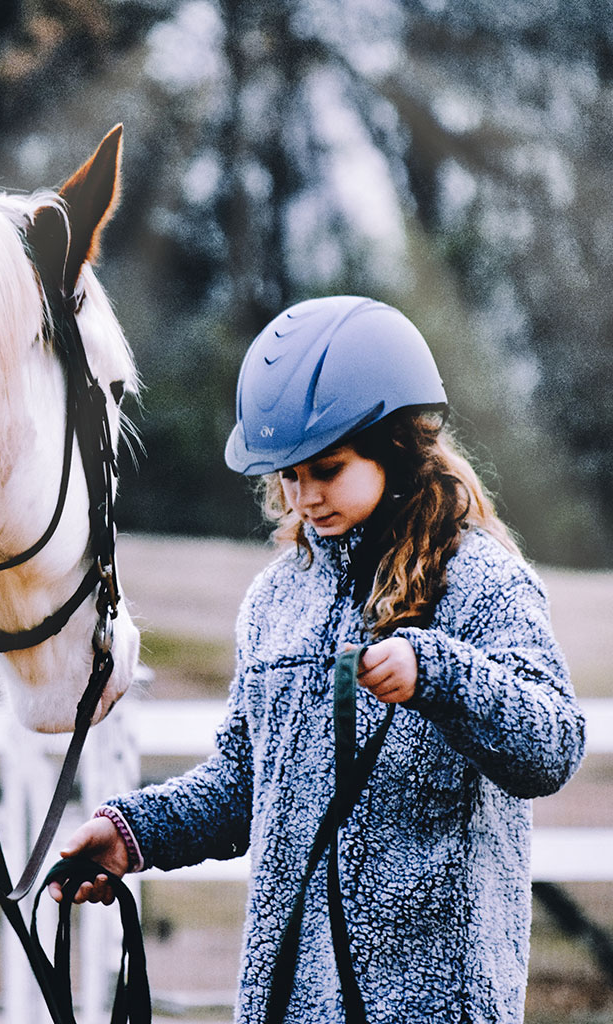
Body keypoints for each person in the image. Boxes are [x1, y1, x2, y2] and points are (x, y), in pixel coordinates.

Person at [51, 296, 586, 1023]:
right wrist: (133, 835)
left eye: (326, 470)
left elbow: (552, 745)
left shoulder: (482, 582)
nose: (304, 497)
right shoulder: (275, 602)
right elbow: (244, 788)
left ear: (393, 448)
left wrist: (438, 675)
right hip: (288, 1004)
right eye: (287, 477)